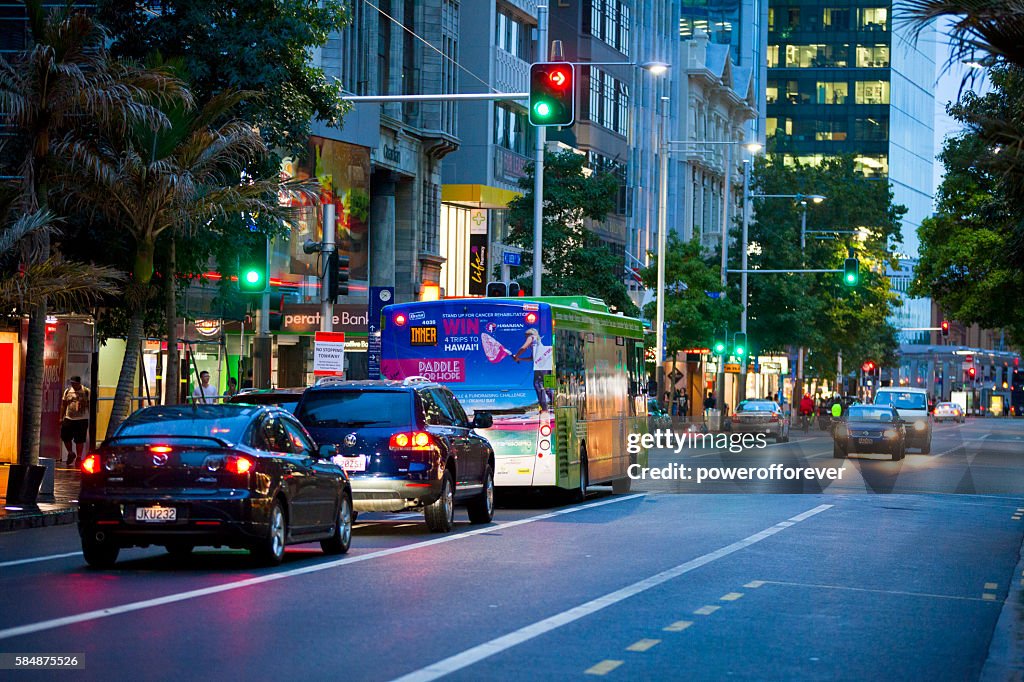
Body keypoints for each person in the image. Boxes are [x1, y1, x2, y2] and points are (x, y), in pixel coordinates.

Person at [512, 328, 553, 411]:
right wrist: (520, 359)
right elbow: (531, 358)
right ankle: (555, 404)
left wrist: (516, 356)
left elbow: (523, 348)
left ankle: (544, 408)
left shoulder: (531, 337)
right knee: (547, 387)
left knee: (538, 384)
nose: (526, 338)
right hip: (547, 364)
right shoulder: (537, 343)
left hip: (541, 366)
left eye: (525, 336)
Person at [60, 376, 90, 467]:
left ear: (79, 383)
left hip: (82, 419)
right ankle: (70, 452)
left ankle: (79, 457)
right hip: (69, 418)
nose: (73, 384)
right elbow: (64, 405)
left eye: (74, 383)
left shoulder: (86, 391)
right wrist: (61, 417)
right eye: (72, 382)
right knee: (65, 437)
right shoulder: (68, 391)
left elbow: (90, 405)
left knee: (79, 439)